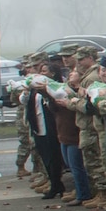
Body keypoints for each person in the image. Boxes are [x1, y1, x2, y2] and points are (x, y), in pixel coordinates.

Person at [71, 50, 106, 209]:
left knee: (98, 163)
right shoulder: (89, 77)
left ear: (90, 58)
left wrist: (75, 101)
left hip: (93, 127)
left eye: (81, 59)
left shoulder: (92, 78)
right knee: (95, 162)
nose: (78, 62)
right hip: (91, 126)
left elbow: (92, 106)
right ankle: (103, 193)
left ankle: (105, 193)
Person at [52, 59, 92, 203]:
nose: (71, 74)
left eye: (74, 72)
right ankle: (78, 191)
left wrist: (70, 103)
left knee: (77, 166)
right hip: (63, 131)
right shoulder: (64, 89)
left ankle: (83, 194)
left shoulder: (79, 92)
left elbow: (82, 107)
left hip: (74, 133)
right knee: (70, 164)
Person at [23, 63, 65, 198]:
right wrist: (26, 91)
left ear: (52, 73)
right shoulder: (35, 88)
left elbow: (55, 104)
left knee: (54, 156)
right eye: (40, 71)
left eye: (45, 71)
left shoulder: (55, 86)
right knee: (45, 156)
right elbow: (25, 102)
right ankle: (54, 183)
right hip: (38, 126)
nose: (42, 73)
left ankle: (57, 184)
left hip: (51, 126)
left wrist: (46, 92)